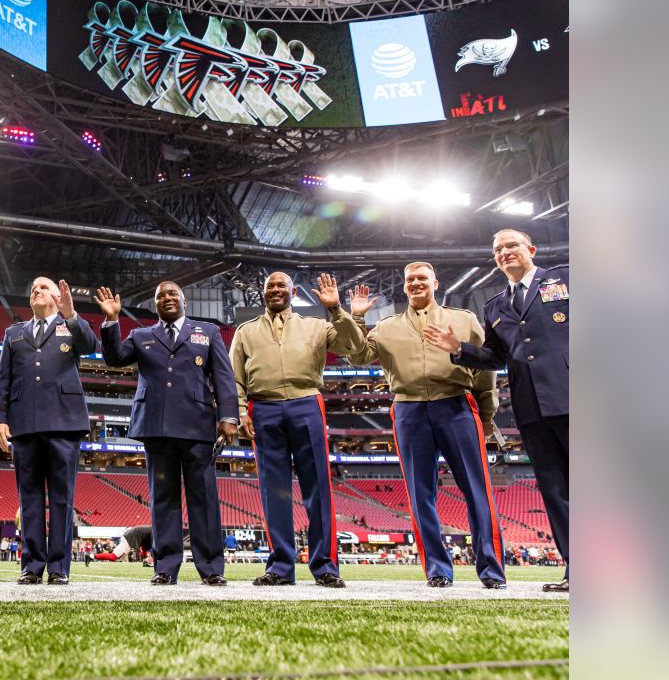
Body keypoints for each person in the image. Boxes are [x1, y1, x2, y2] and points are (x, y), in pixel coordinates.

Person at [423, 229, 569, 593]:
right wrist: (458, 348)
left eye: (511, 245)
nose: (504, 253)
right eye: (498, 250)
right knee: (555, 491)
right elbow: (494, 358)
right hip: (531, 408)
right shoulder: (494, 307)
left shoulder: (566, 277)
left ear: (531, 249)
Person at [348, 262, 507, 589]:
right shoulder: (386, 326)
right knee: (420, 495)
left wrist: (488, 414)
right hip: (409, 408)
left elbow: (485, 369)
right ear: (404, 287)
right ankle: (437, 569)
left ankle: (491, 570)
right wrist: (357, 317)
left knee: (477, 490)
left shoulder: (463, 319)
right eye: (410, 280)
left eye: (422, 278)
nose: (416, 283)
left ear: (435, 282)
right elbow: (358, 356)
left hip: (456, 404)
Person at [229, 272, 367, 589]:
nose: (275, 290)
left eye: (281, 286)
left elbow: (354, 345)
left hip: (306, 403)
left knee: (318, 486)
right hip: (262, 408)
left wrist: (336, 310)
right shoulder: (245, 331)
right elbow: (234, 378)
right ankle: (280, 566)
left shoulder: (317, 324)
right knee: (273, 490)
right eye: (270, 286)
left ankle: (325, 566)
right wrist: (239, 411)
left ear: (293, 292)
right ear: (262, 293)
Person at [96, 282, 239, 586]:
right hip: (157, 427)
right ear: (156, 303)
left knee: (205, 500)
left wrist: (228, 416)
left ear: (184, 300)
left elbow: (224, 377)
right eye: (161, 295)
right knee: (163, 500)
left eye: (172, 294)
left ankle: (212, 568)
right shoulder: (141, 335)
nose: (167, 298)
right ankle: (165, 567)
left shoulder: (208, 331)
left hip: (198, 426)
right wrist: (111, 321)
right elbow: (114, 358)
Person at [0, 277, 97, 586]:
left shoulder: (71, 326)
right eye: (32, 288)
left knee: (63, 499)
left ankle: (59, 567)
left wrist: (72, 315)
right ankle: (32, 565)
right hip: (24, 425)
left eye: (42, 287)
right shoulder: (14, 334)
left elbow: (91, 346)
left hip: (64, 423)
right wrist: (0, 418)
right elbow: (3, 380)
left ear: (56, 296)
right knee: (30, 499)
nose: (35, 290)